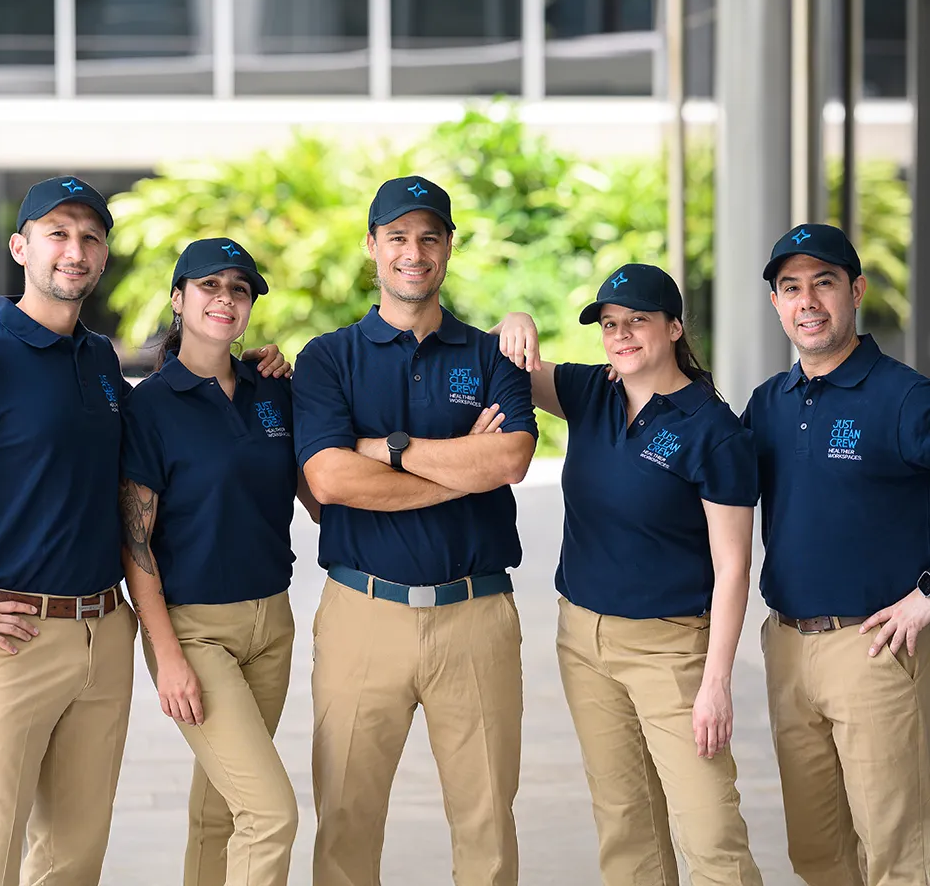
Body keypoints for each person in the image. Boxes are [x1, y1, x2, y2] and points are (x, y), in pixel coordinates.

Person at [291, 175, 537, 886]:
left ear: (449, 248)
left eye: (430, 236)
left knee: (488, 824)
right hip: (362, 614)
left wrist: (387, 449)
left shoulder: (491, 355)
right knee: (346, 822)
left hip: (477, 616)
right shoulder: (328, 358)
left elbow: (511, 458)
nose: (414, 251)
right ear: (372, 247)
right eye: (397, 236)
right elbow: (332, 481)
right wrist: (462, 465)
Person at [493, 263, 763, 886]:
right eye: (610, 324)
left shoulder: (713, 431)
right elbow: (504, 362)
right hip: (583, 642)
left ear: (673, 327)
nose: (621, 335)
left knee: (710, 832)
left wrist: (716, 682)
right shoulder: (591, 393)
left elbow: (733, 565)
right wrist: (516, 321)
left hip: (670, 651)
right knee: (625, 826)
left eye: (637, 321)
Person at [0, 176, 137, 886]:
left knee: (74, 860)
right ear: (21, 247)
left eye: (90, 236)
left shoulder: (101, 358)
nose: (74, 250)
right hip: (11, 639)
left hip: (105, 632)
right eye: (57, 233)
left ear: (104, 254)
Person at [119, 237, 318, 886]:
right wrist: (168, 654)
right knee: (271, 814)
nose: (225, 299)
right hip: (196, 630)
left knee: (220, 811)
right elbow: (136, 542)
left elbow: (318, 498)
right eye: (209, 286)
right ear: (179, 300)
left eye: (240, 289)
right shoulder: (150, 405)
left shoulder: (273, 390)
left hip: (272, 625)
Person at [742, 224, 930, 886]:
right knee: (817, 854)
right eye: (791, 288)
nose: (808, 301)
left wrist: (928, 592)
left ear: (856, 290)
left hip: (874, 650)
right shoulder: (767, 404)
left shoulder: (903, 396)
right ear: (776, 304)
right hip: (788, 648)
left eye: (824, 283)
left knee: (896, 852)